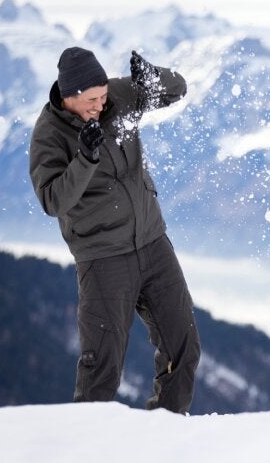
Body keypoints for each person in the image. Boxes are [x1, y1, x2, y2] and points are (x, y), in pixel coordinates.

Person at [29, 47, 200, 413]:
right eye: (91, 101)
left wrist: (153, 78)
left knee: (183, 347)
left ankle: (167, 428)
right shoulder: (49, 134)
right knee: (102, 368)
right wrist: (85, 158)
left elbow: (178, 89)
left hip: (152, 241)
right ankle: (88, 442)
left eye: (103, 96)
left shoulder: (117, 97)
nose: (100, 105)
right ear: (69, 96)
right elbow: (52, 200)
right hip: (104, 258)